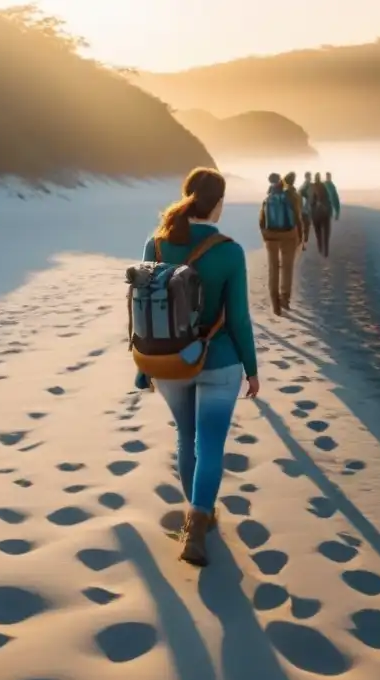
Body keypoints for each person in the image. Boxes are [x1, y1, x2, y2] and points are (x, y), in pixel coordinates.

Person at [141, 167, 260, 567]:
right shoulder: (229, 251)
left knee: (186, 435)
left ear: (186, 196)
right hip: (219, 360)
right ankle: (198, 522)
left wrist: (144, 368)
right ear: (219, 204)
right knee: (210, 444)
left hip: (167, 360)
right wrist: (252, 367)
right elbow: (239, 319)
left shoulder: (155, 244)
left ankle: (198, 513)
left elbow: (141, 311)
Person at [259, 171, 303, 315]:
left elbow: (261, 220)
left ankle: (275, 305)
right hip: (289, 235)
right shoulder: (291, 196)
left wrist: (265, 235)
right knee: (287, 268)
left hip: (271, 236)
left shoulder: (267, 198)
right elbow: (298, 216)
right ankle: (285, 299)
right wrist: (300, 236)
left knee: (273, 269)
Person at [310, 172, 333, 257]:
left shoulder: (312, 187)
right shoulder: (324, 187)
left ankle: (320, 248)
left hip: (316, 215)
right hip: (325, 213)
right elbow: (328, 200)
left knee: (318, 233)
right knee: (326, 233)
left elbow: (311, 202)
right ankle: (326, 250)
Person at [298, 171, 314, 249]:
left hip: (302, 210)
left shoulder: (301, 187)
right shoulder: (310, 187)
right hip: (306, 211)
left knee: (303, 227)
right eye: (309, 176)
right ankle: (303, 244)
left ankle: (302, 243)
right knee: (306, 228)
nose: (310, 178)